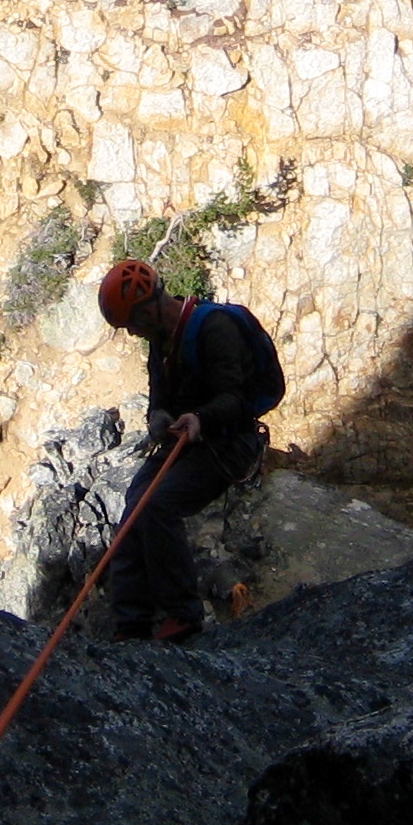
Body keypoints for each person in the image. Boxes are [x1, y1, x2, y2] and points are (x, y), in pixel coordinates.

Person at [94, 258, 278, 644]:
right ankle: (131, 622)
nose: (133, 333)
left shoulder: (215, 328)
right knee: (135, 504)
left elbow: (237, 398)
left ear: (148, 310)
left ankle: (183, 613)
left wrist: (201, 418)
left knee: (158, 505)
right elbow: (158, 396)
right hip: (188, 439)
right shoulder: (160, 340)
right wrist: (159, 418)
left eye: (132, 325)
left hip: (229, 443)